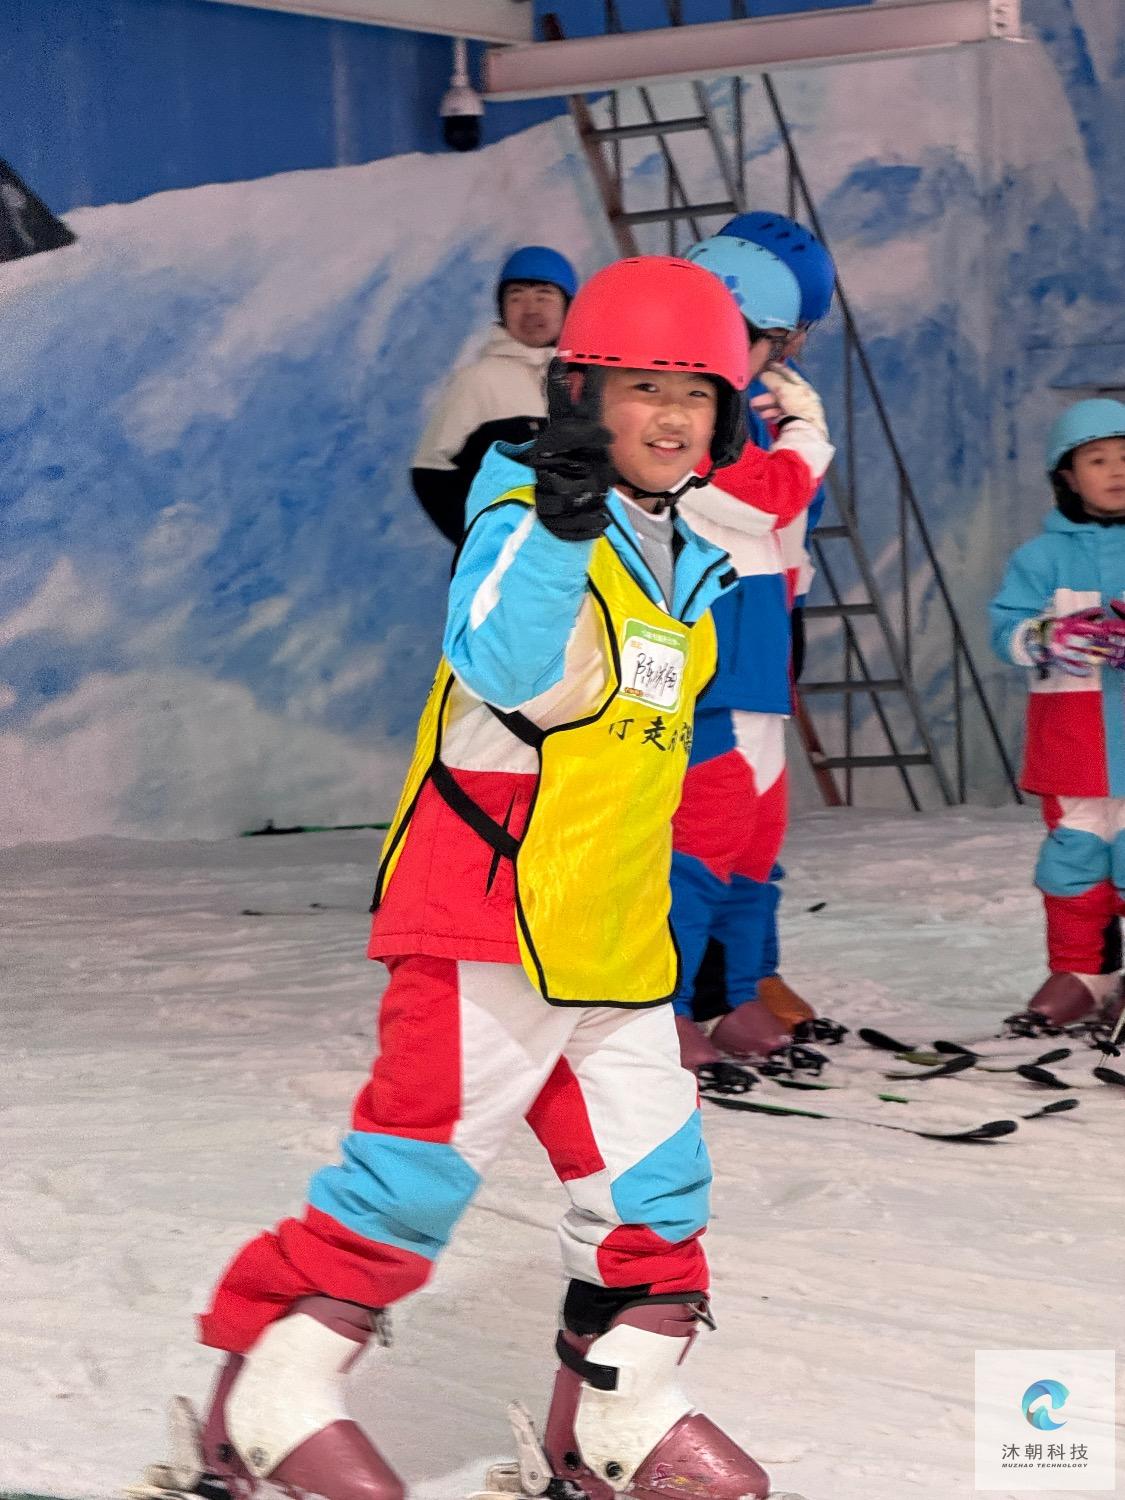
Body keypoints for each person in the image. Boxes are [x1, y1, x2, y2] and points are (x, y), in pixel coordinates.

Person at [166, 257, 799, 1500]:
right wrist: (560, 526)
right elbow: (504, 665)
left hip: (612, 932)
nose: (672, 416)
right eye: (643, 387)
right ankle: (268, 1396)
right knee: (412, 1172)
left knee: (656, 1185)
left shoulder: (685, 557)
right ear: (583, 395)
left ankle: (619, 1419)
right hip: (490, 914)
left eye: (697, 394)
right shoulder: (523, 513)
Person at [664, 232, 835, 1080]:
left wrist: (789, 436)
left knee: (753, 838)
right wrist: (805, 434)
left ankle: (731, 996)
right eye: (770, 340)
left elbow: (785, 534)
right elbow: (770, 500)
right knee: (698, 841)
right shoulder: (681, 419)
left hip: (756, 660)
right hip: (707, 665)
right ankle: (658, 1009)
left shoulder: (738, 420)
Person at [990, 397, 1125, 1035]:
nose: (1116, 470)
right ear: (1067, 477)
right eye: (1097, 460)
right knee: (1073, 859)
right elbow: (1005, 630)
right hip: (1073, 743)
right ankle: (1082, 974)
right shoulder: (1040, 558)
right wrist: (1046, 637)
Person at [410, 245, 578, 542]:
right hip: (520, 558)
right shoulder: (478, 381)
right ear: (502, 309)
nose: (531, 309)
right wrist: (486, 548)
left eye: (544, 295)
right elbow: (430, 476)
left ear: (569, 306)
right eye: (516, 297)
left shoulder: (588, 384)